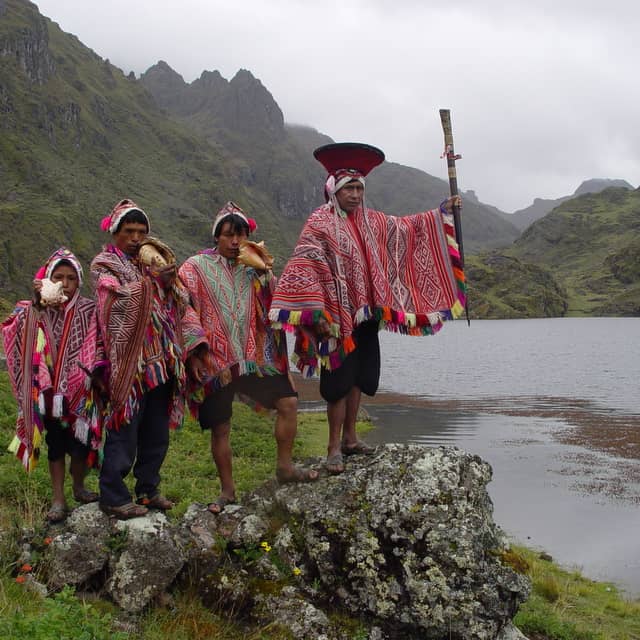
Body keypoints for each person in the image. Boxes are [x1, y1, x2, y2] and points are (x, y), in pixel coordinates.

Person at [269, 143, 466, 474]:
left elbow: (407, 230)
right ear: (335, 190)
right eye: (350, 188)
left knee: (360, 377)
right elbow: (304, 264)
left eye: (360, 188)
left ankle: (350, 438)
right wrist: (317, 310)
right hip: (334, 318)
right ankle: (332, 448)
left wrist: (442, 212)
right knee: (338, 383)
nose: (356, 194)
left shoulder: (373, 221)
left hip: (366, 316)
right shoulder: (320, 223)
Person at [179, 202, 318, 514]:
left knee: (288, 403)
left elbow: (279, 302)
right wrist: (195, 350)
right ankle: (227, 491)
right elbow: (183, 305)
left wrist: (266, 274)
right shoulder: (194, 267)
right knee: (221, 426)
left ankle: (285, 467)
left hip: (256, 355)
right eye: (228, 235)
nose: (235, 242)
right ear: (216, 236)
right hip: (216, 358)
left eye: (240, 235)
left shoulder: (256, 267)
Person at [91, 198, 187, 519]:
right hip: (130, 365)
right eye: (128, 231)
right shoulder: (104, 265)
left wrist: (171, 283)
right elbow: (114, 303)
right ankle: (114, 495)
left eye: (141, 231)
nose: (135, 238)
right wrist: (152, 284)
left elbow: (182, 302)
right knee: (125, 430)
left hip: (161, 362)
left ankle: (148, 489)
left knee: (156, 431)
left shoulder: (153, 262)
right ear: (115, 232)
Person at [2, 248, 104, 523]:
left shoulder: (89, 308)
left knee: (80, 445)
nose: (65, 284)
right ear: (48, 279)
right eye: (58, 277)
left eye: (71, 278)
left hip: (81, 392)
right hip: (48, 396)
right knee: (56, 445)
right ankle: (58, 498)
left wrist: (88, 373)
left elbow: (98, 341)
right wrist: (37, 305)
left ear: (79, 281)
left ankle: (79, 487)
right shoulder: (34, 309)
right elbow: (15, 332)